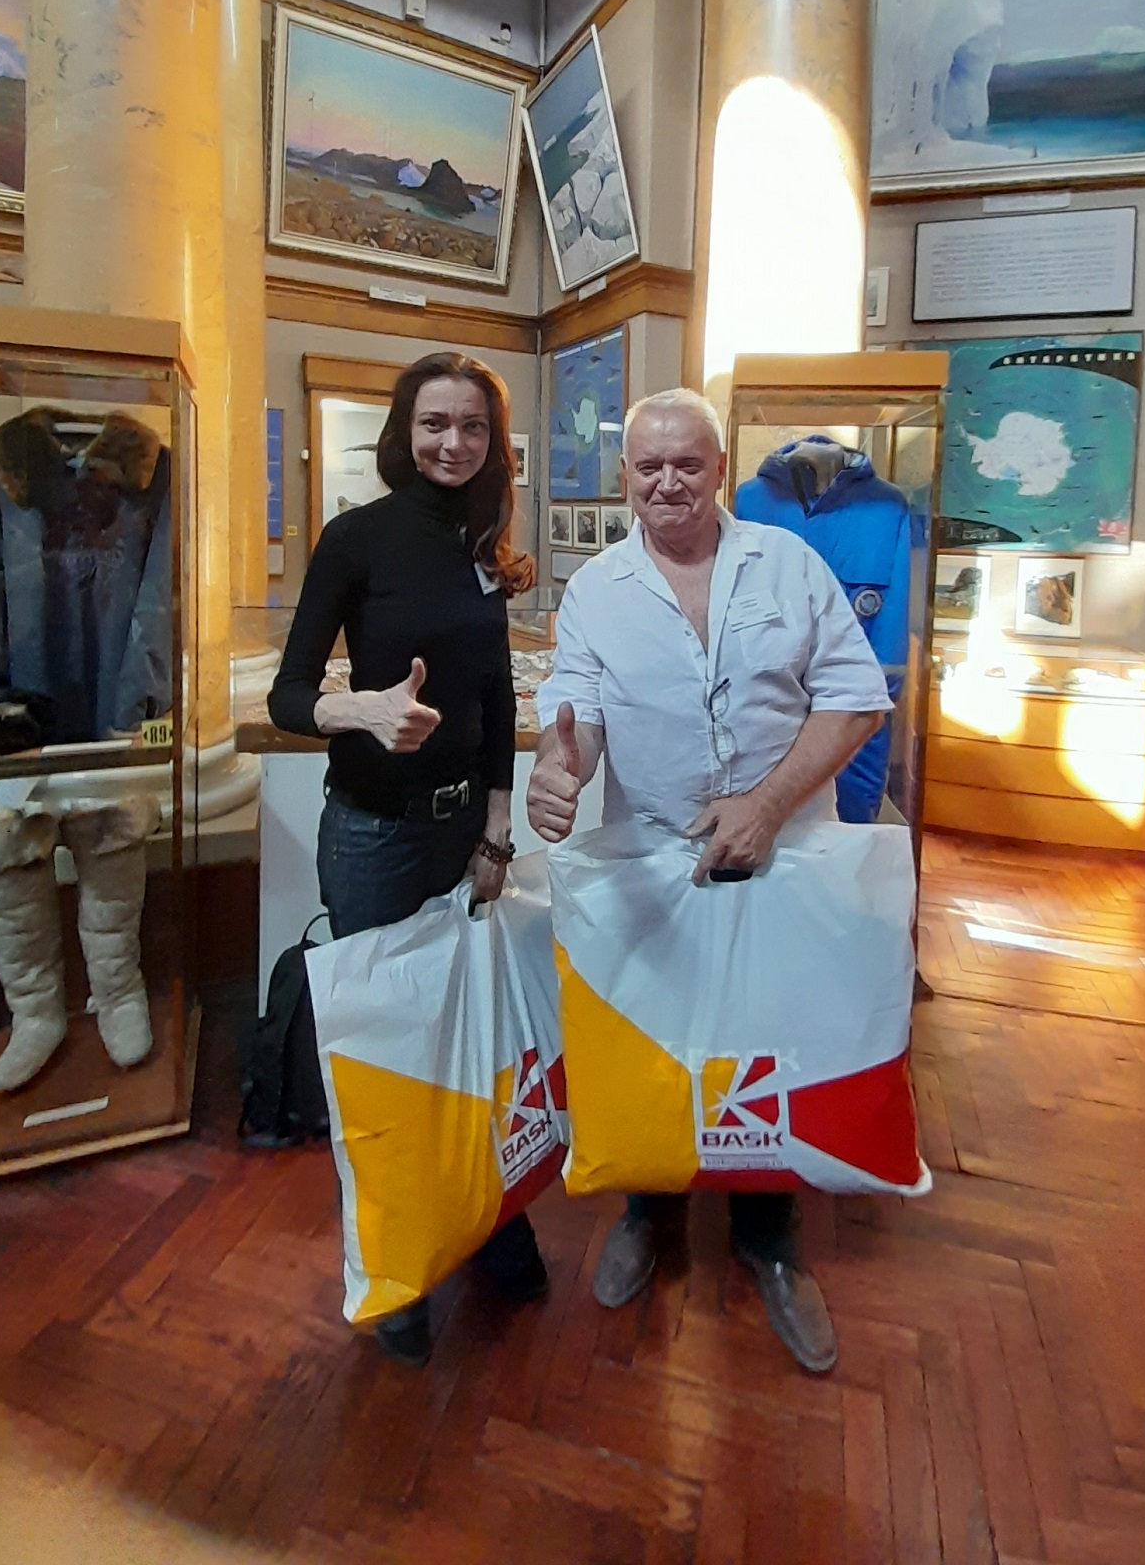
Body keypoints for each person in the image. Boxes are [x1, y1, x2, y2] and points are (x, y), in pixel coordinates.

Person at [527, 387, 890, 1375]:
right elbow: (576, 711)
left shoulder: (789, 564)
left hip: (783, 854)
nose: (668, 482)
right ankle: (648, 1212)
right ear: (625, 477)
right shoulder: (597, 590)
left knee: (769, 1049)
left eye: (687, 462)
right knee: (658, 1041)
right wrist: (558, 771)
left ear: (722, 467)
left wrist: (764, 806)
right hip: (654, 864)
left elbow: (857, 698)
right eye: (648, 466)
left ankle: (771, 1243)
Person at [268, 351, 547, 1368]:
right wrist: (363, 711)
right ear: (404, 431)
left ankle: (483, 1214)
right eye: (435, 423)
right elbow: (289, 694)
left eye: (472, 426)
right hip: (376, 836)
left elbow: (498, 697)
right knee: (387, 1049)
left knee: (467, 1030)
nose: (452, 442)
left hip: (461, 831)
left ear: (492, 442)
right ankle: (399, 1258)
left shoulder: (482, 545)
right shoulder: (357, 537)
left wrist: (498, 828)